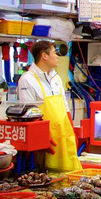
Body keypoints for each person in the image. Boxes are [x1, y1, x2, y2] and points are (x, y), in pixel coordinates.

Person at [18, 41, 81, 171]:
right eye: (54, 53)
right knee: (47, 172)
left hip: (64, 135)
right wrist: (41, 138)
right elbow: (28, 115)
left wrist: (72, 131)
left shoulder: (56, 78)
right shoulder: (27, 80)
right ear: (44, 56)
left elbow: (65, 106)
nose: (57, 56)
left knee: (68, 172)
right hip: (46, 139)